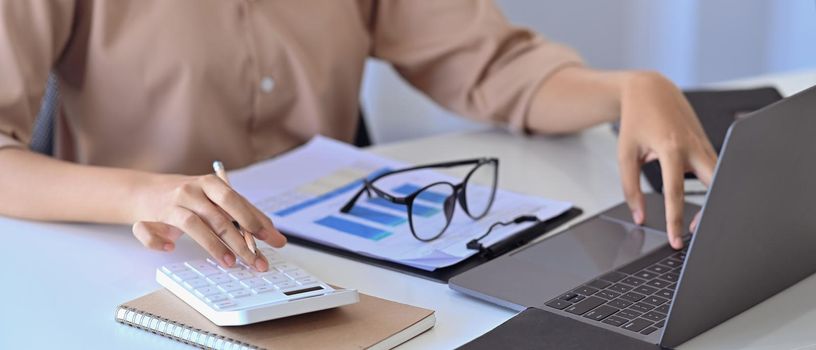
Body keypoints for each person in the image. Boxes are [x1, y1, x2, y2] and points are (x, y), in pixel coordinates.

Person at [0, 1, 716, 272]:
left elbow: (493, 67)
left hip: (328, 260)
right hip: (131, 267)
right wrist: (144, 196)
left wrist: (627, 89)